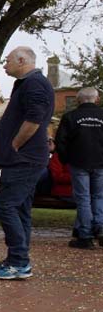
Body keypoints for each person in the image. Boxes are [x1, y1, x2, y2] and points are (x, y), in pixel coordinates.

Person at [0, 46, 55, 280]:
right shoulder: (28, 84)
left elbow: (34, 119)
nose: (4, 66)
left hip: (24, 160)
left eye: (7, 61)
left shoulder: (35, 84)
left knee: (4, 206)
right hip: (21, 160)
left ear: (22, 60)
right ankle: (18, 259)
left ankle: (18, 262)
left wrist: (14, 145)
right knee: (21, 209)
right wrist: (2, 157)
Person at [54, 86, 103, 249]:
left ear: (78, 100)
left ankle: (86, 234)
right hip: (101, 162)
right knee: (99, 197)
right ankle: (101, 229)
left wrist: (66, 159)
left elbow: (60, 141)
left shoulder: (70, 117)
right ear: (97, 99)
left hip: (79, 162)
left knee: (83, 199)